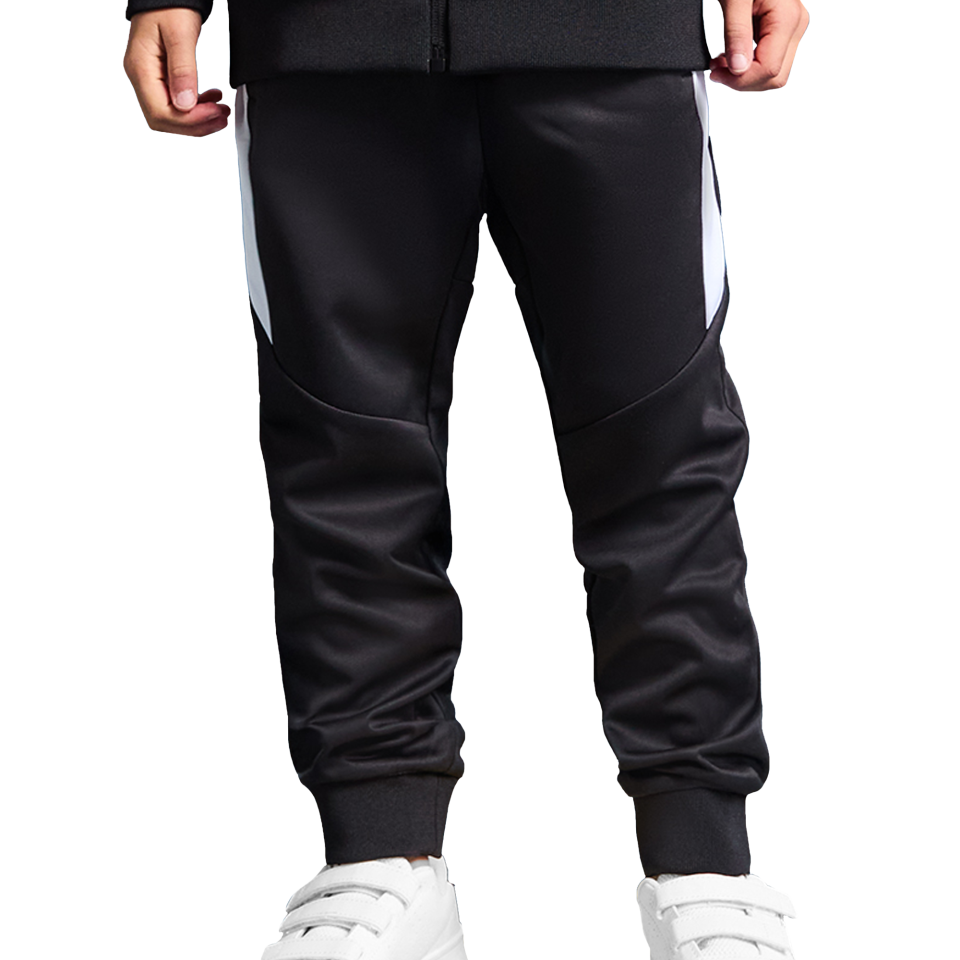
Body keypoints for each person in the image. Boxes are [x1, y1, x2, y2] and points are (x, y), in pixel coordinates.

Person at [122, 2, 810, 957]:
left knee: (661, 443)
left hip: (616, 31)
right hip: (323, 37)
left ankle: (705, 866)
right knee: (342, 452)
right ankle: (381, 861)